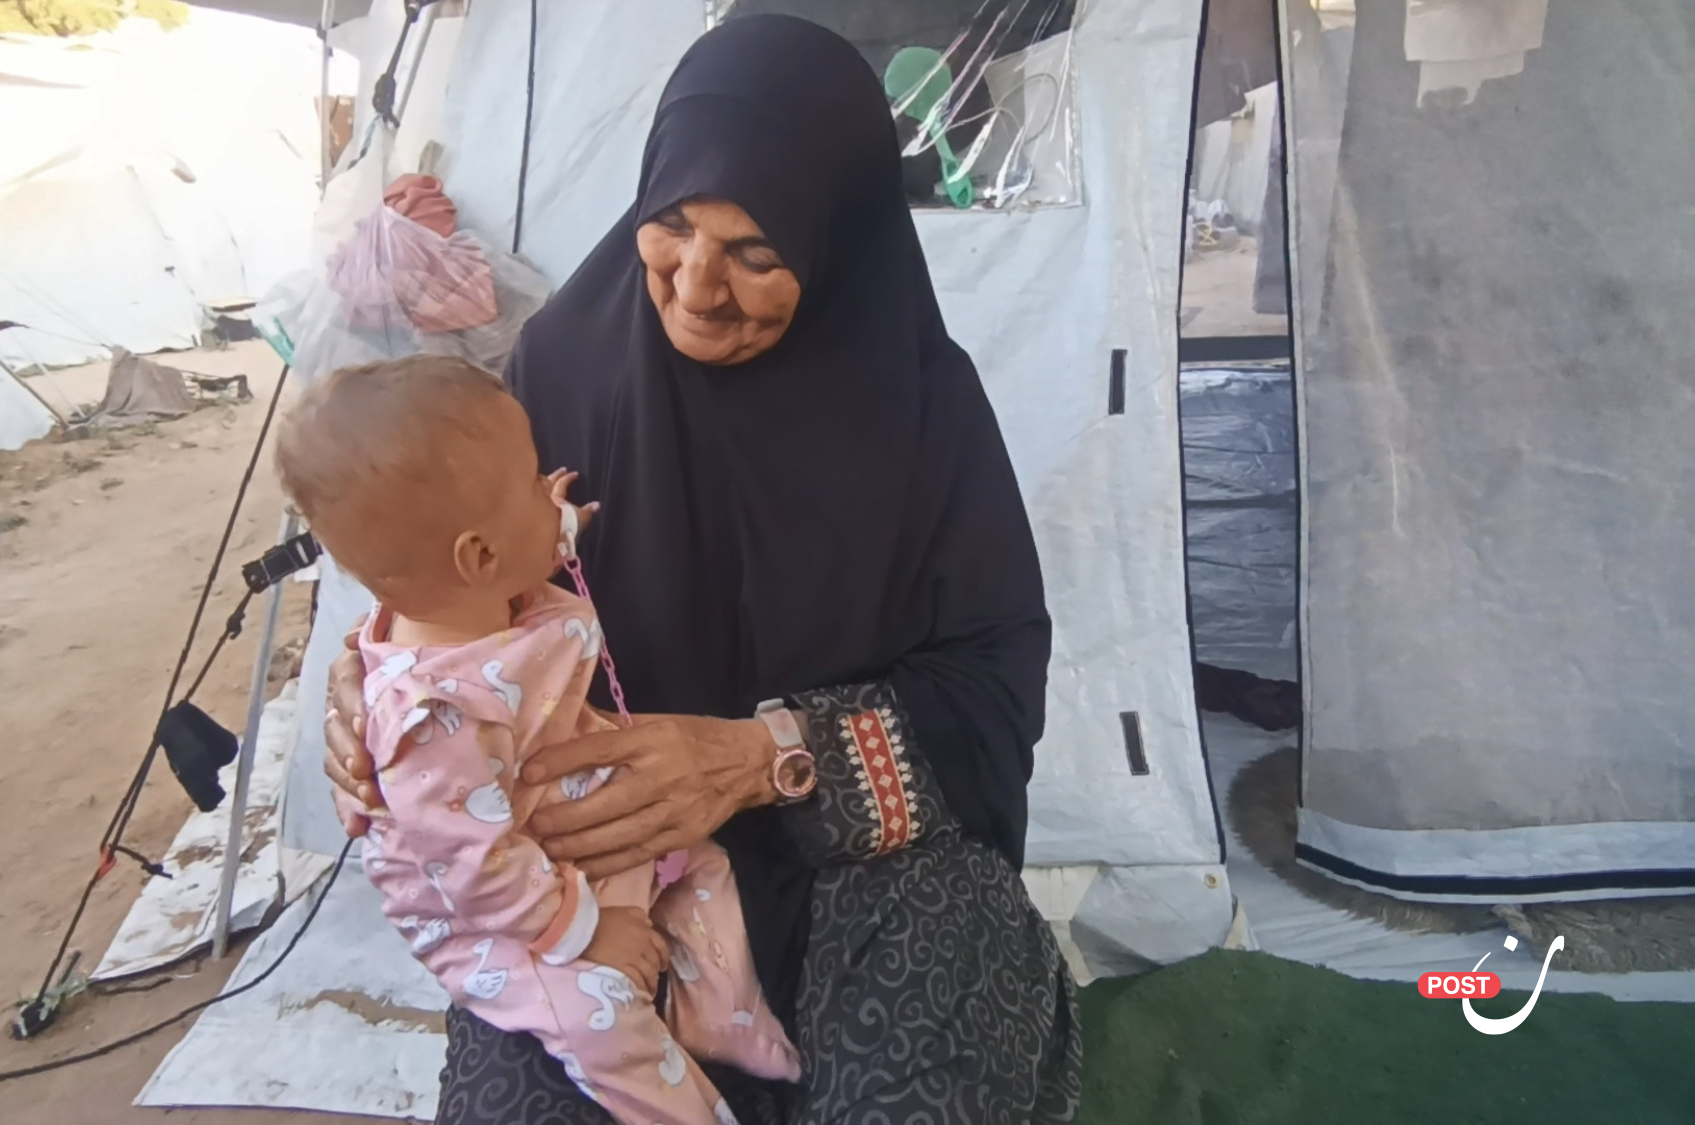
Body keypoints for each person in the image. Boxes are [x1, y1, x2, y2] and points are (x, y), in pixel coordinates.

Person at [323, 15, 1082, 1125]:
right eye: (669, 225)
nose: (697, 286)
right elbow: (460, 578)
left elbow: (994, 692)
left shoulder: (922, 407)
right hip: (591, 865)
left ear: (835, 242)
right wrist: (379, 677)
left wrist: (761, 754)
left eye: (758, 253)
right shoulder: (560, 368)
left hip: (861, 863)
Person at [276, 357, 799, 1125]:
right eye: (531, 483)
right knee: (597, 1018)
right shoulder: (434, 717)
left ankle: (721, 1014)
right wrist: (589, 932)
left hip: (559, 825)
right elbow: (477, 869)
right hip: (496, 914)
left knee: (701, 863)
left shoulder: (480, 590)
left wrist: (547, 518)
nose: (548, 490)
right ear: (478, 555)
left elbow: (527, 539)